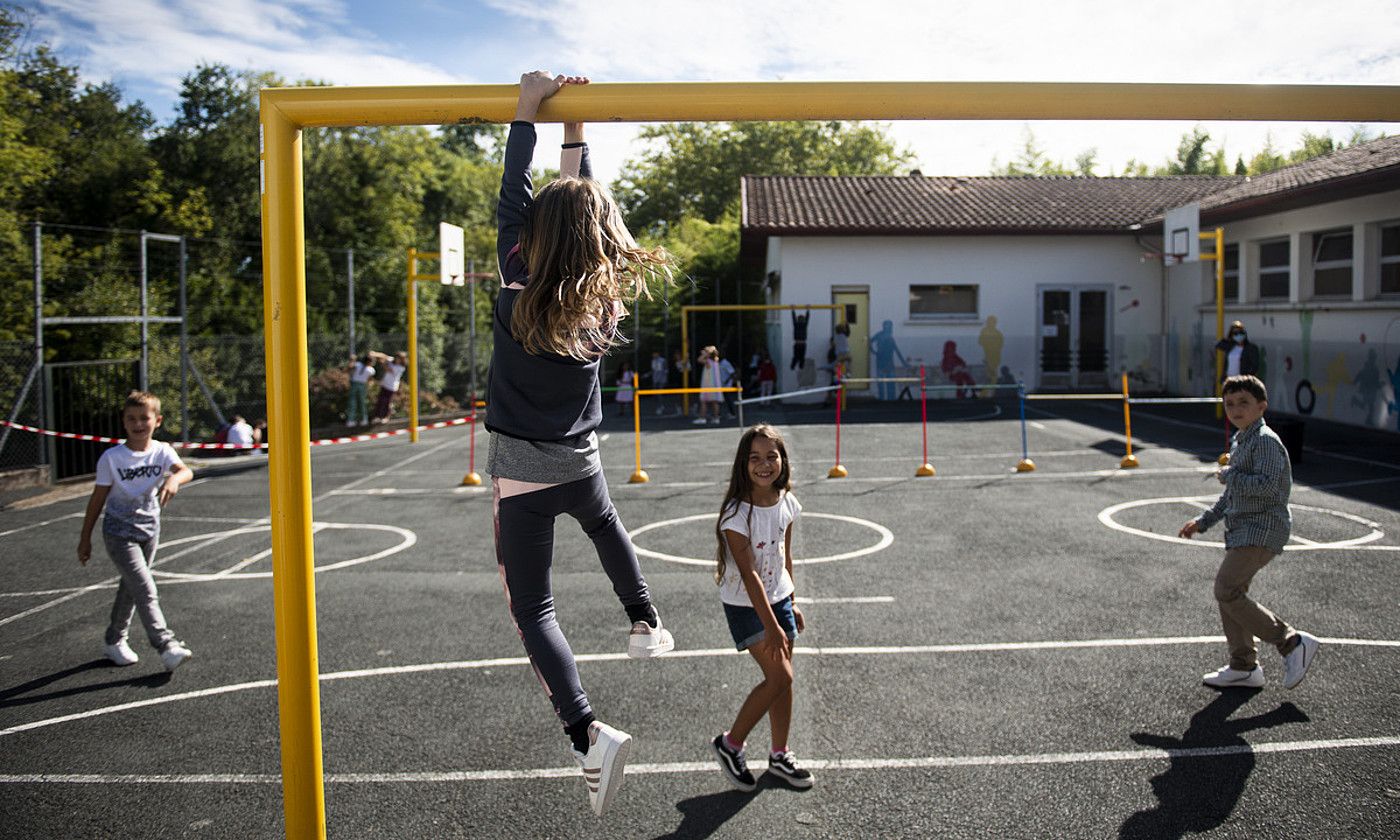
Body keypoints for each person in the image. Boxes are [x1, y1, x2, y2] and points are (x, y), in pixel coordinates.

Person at [488, 70, 675, 817]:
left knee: (533, 607)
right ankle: (646, 622)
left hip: (522, 476)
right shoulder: (604, 294)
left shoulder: (514, 285)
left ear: (530, 241)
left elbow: (514, 196)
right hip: (582, 462)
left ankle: (586, 732)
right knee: (604, 524)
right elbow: (577, 213)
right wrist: (571, 129)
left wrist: (526, 113)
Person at [1178, 375, 1319, 690]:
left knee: (1226, 590)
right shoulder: (1242, 440)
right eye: (1229, 403)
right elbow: (1231, 497)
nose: (1235, 409)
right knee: (1231, 594)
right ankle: (1243, 667)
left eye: (1243, 402)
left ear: (1261, 406)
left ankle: (1292, 643)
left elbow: (1268, 488)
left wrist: (1231, 474)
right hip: (1243, 529)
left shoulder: (1265, 440)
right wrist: (1204, 521)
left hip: (1262, 529)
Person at [710, 423, 813, 792]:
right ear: (743, 464)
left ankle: (779, 754)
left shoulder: (785, 499)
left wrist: (793, 600)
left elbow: (785, 554)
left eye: (772, 456)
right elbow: (751, 576)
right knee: (781, 676)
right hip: (747, 605)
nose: (764, 464)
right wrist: (771, 626)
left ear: (783, 460)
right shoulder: (736, 516)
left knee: (782, 681)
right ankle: (730, 743)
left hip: (780, 597)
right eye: (755, 458)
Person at [76, 391, 194, 672]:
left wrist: (174, 480)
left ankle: (114, 640)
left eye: (144, 418)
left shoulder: (162, 451)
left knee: (131, 588)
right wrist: (85, 539)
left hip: (149, 530)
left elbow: (185, 470)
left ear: (157, 420)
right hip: (118, 532)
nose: (138, 424)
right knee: (145, 588)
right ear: (124, 422)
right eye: (132, 419)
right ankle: (166, 645)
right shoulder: (112, 458)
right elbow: (97, 500)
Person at [372, 351, 407, 424]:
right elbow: (384, 356)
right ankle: (377, 416)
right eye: (397, 358)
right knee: (380, 401)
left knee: (387, 402)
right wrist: (374, 354)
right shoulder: (392, 360)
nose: (397, 359)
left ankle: (386, 417)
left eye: (399, 358)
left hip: (391, 387)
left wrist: (383, 363)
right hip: (385, 384)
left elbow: (388, 369)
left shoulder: (401, 368)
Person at [695, 345, 723, 425]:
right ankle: (716, 418)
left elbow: (699, 359)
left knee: (703, 401)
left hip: (708, 385)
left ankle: (702, 418)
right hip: (715, 385)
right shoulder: (716, 361)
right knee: (715, 402)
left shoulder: (708, 361)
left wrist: (705, 354)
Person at [346, 353, 375, 427]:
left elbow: (349, 368)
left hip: (357, 384)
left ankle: (356, 419)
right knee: (358, 402)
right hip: (359, 385)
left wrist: (352, 360)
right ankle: (358, 419)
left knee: (357, 402)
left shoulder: (360, 365)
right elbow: (369, 379)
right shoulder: (367, 368)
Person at [649, 350, 669, 415]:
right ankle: (659, 406)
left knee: (659, 393)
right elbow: (653, 370)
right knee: (655, 394)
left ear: (658, 353)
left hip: (661, 379)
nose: (653, 355)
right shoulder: (653, 361)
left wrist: (665, 378)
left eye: (655, 353)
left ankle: (661, 406)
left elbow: (666, 370)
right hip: (655, 379)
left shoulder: (663, 360)